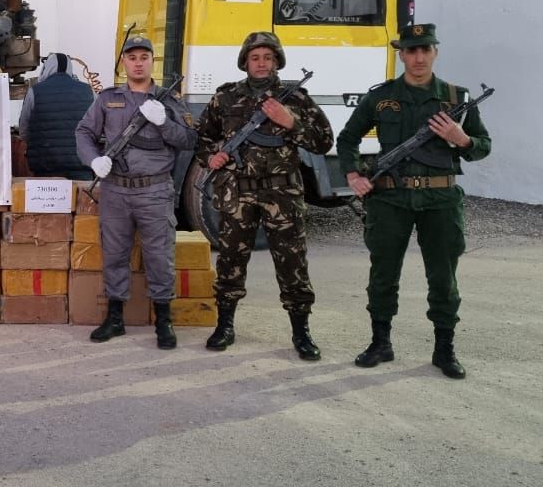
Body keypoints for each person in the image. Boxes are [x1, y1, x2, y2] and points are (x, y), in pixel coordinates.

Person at [336, 24, 491, 379]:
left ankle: (444, 350)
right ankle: (380, 343)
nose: (419, 57)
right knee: (383, 273)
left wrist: (462, 139)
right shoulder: (380, 97)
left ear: (435, 52)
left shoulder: (456, 98)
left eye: (425, 49)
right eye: (411, 50)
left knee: (443, 277)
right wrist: (353, 175)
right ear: (401, 54)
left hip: (441, 199)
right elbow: (347, 139)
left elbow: (483, 146)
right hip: (390, 198)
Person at [194, 31, 333, 358]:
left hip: (282, 195)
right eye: (255, 57)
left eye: (267, 57)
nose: (261, 63)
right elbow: (202, 138)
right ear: (245, 62)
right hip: (237, 194)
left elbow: (324, 142)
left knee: (293, 264)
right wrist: (212, 157)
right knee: (230, 262)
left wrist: (290, 122)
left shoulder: (295, 99)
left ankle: (301, 332)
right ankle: (224, 325)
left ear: (276, 62)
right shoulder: (225, 98)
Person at [76, 36, 196, 348]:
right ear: (124, 63)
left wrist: (164, 122)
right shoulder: (108, 99)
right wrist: (93, 160)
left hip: (154, 190)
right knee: (115, 255)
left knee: (159, 256)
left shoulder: (169, 100)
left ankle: (164, 321)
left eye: (144, 57)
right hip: (115, 190)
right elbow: (84, 132)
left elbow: (189, 140)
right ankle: (115, 319)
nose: (138, 63)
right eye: (132, 58)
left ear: (152, 61)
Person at [18, 52, 95, 180]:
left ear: (47, 67)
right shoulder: (88, 90)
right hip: (82, 167)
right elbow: (97, 127)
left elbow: (24, 130)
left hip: (46, 167)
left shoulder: (34, 91)